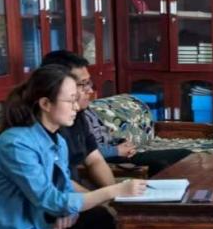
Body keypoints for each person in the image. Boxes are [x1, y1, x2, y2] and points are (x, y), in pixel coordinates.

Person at [0, 65, 146, 229]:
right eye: (70, 100)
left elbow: (63, 188)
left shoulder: (58, 140)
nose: (76, 107)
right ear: (46, 103)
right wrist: (115, 190)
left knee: (100, 220)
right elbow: (51, 200)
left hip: (44, 226)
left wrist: (68, 211)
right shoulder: (16, 145)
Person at [41, 51, 192, 179]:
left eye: (89, 82)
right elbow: (61, 185)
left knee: (187, 156)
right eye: (83, 84)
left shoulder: (79, 115)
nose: (90, 90)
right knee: (161, 165)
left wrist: (112, 195)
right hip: (110, 163)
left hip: (108, 163)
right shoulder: (50, 127)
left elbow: (93, 158)